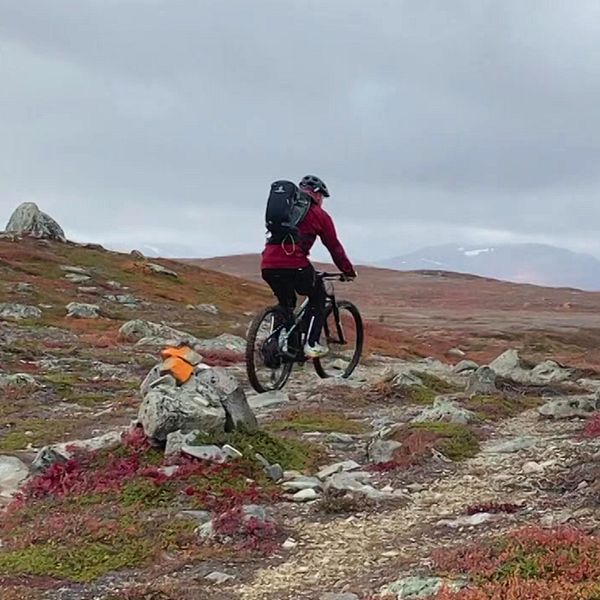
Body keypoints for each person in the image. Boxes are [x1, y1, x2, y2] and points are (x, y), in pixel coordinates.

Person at [261, 175, 357, 358]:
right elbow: (333, 246)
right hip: (295, 263)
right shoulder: (319, 215)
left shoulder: (285, 211)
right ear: (318, 195)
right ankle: (311, 344)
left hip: (268, 264)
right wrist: (347, 270)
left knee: (286, 304)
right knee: (318, 296)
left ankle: (281, 348)